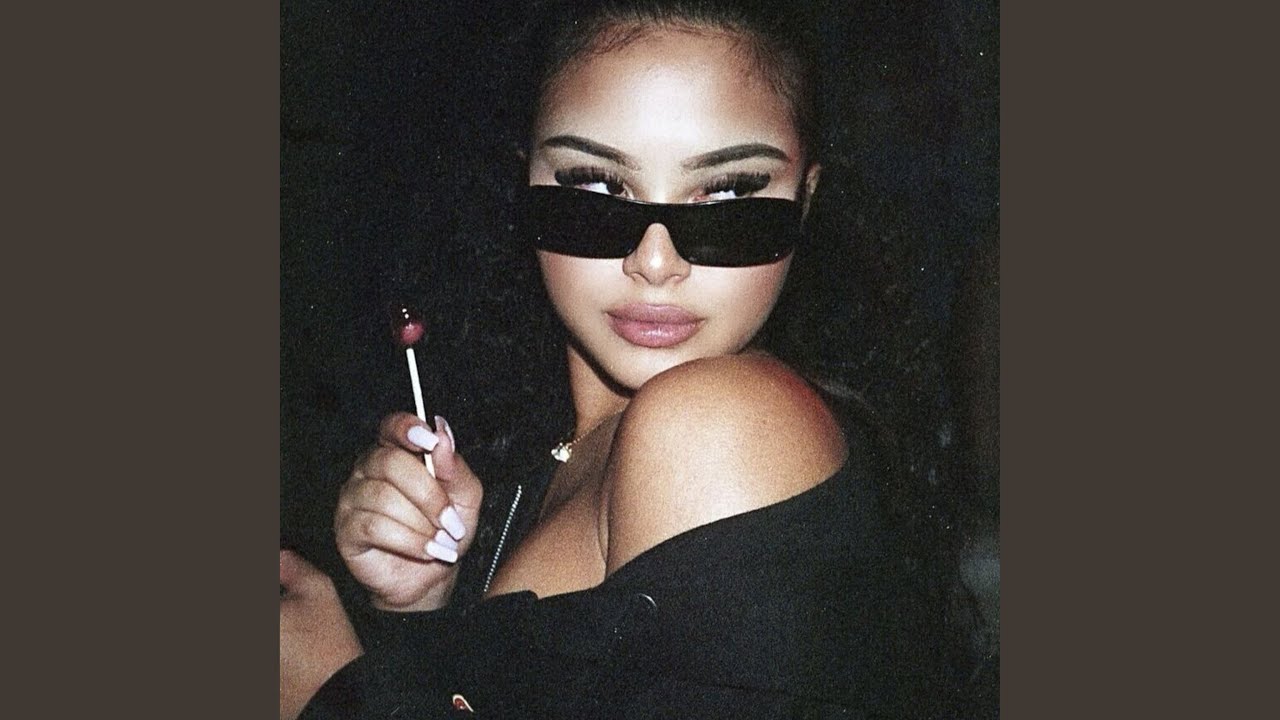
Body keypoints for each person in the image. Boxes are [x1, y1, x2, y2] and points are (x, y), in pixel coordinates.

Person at [281, 0, 975, 717]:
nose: (655, 260)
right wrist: (421, 610)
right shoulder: (550, 453)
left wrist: (329, 692)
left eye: (729, 193)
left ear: (806, 199)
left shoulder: (716, 428)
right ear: (526, 187)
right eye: (596, 186)